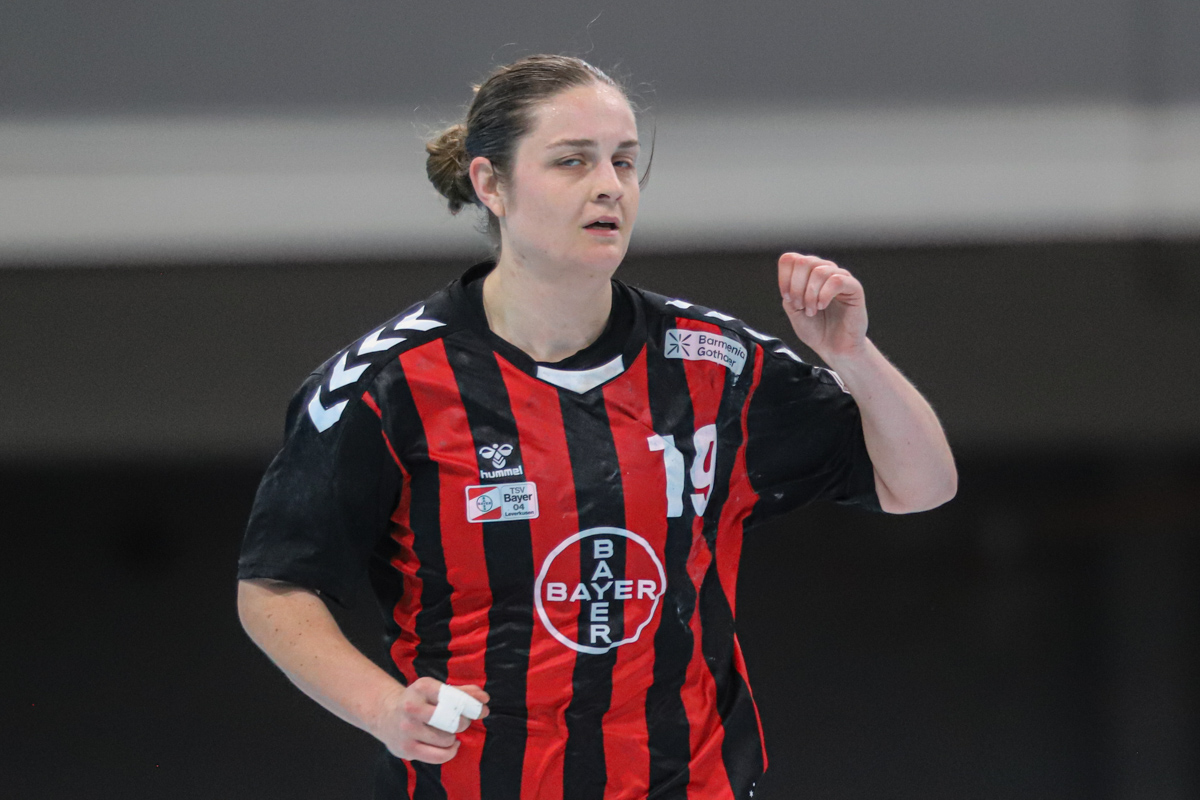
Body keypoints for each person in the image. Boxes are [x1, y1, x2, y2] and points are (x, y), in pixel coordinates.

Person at [236, 54, 956, 800]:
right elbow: (274, 587)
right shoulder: (388, 384)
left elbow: (921, 485)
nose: (609, 185)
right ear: (490, 184)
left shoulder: (712, 364)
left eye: (624, 161)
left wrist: (852, 355)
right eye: (572, 161)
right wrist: (385, 710)